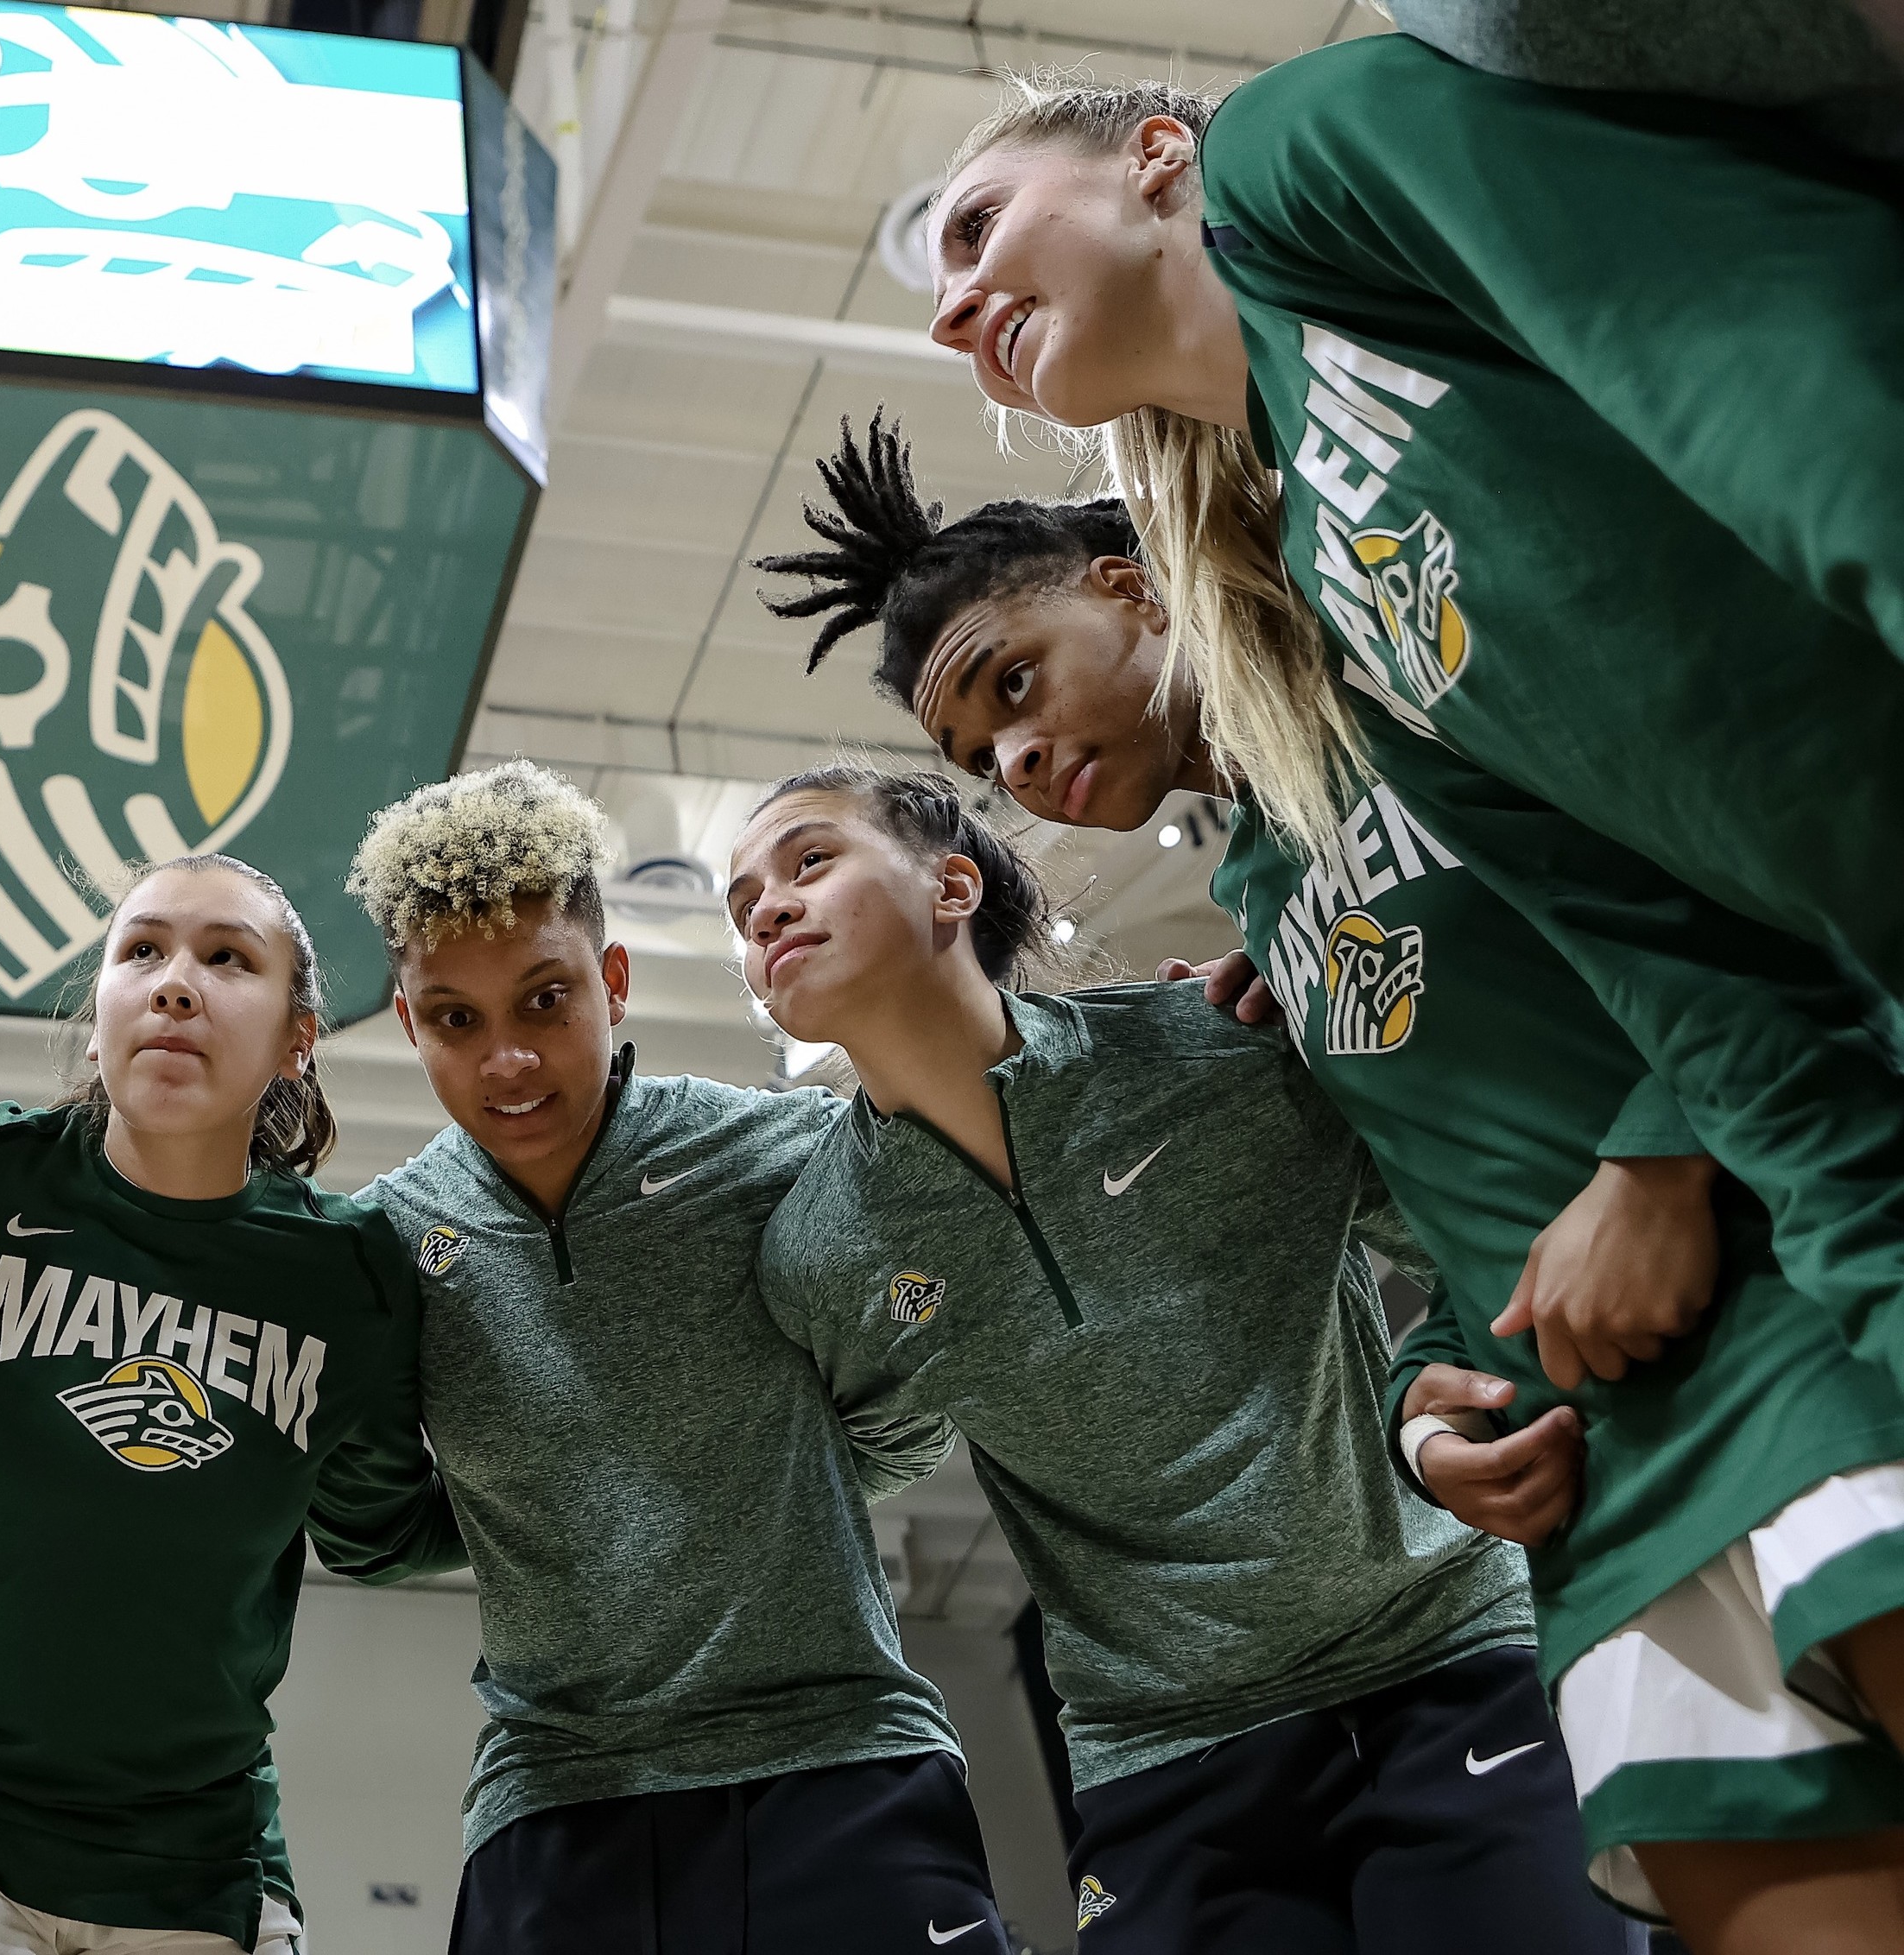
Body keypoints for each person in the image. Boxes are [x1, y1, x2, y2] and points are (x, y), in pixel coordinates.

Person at [760, 418, 1904, 1947]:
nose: (1018, 759)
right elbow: (1470, 1214)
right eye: (980, 753)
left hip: (1770, 1380)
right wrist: (1436, 1405)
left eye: (1017, 685)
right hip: (1545, 1530)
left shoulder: (1405, 680)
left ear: (1134, 583)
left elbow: (1784, 841)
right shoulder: (1274, 916)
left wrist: (1658, 1145)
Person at [731, 766, 1612, 1954]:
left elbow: (1474, 1232)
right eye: (742, 908)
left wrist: (1432, 1417)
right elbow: (868, 1445)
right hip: (1162, 1761)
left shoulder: (1212, 1050)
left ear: (952, 883)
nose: (767, 911)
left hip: (1441, 1661)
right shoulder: (820, 1254)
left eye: (808, 862)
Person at [919, 47, 1904, 1009]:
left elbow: (1738, 337)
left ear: (1157, 155)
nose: (948, 321)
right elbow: (1614, 898)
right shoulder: (1310, 556)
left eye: (979, 224)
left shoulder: (1288, 153)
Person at [341, 762, 1014, 1952]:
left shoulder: (784, 1151)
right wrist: (539, 1512)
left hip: (838, 1760)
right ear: (409, 1023)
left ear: (611, 982)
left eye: (545, 1001)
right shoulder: (383, 1248)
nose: (508, 1060)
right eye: (458, 1019)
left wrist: (769, 1480)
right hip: (556, 1804)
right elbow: (379, 1532)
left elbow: (916, 1405)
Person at [0, 855, 449, 1955]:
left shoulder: (348, 1276)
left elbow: (372, 1533)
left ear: (296, 1039)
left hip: (192, 1846)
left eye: (228, 958)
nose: (177, 982)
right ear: (97, 1022)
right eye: (141, 951)